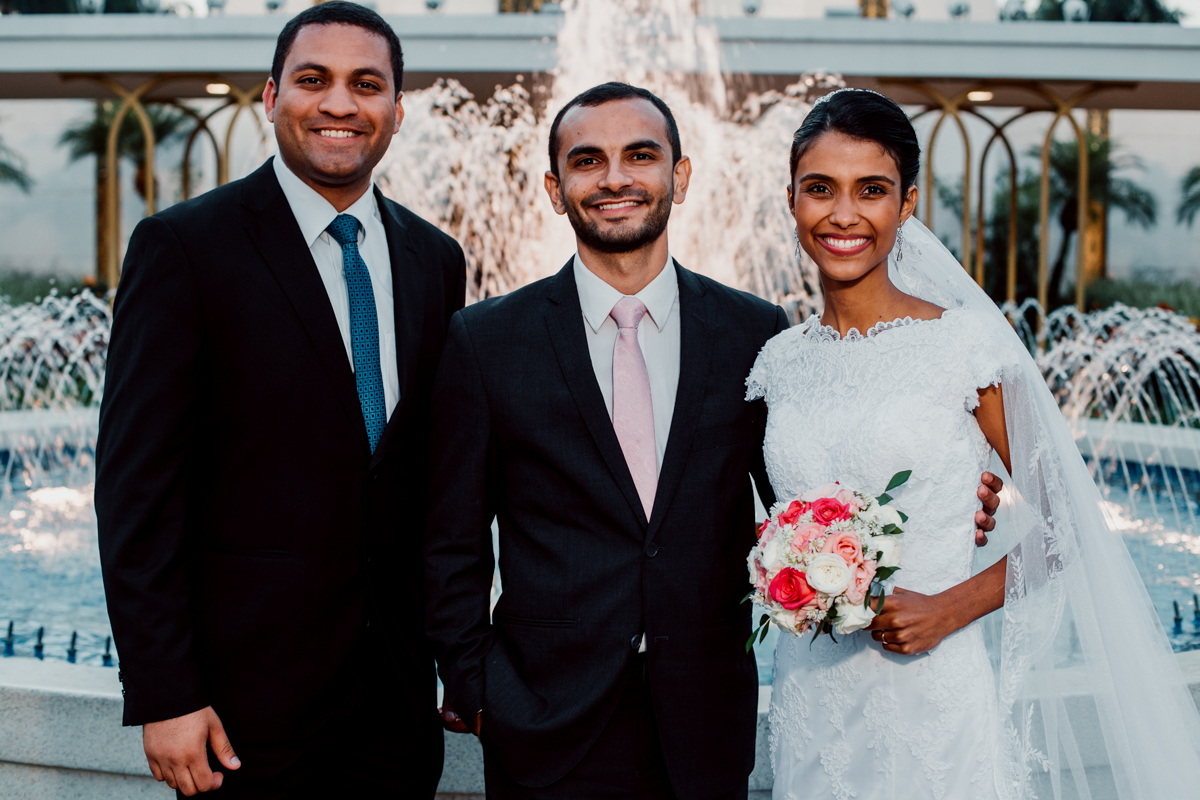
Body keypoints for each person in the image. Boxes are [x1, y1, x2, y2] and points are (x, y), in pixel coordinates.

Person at [423, 82, 1002, 799]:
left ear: (681, 176)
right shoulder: (485, 341)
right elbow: (449, 540)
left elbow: (809, 492)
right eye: (587, 160)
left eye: (641, 155)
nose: (615, 179)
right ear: (554, 187)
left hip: (705, 722)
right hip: (544, 723)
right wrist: (480, 684)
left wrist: (967, 495)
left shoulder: (754, 336)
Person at [750, 88, 1200, 799]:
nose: (843, 214)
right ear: (792, 200)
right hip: (809, 699)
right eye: (820, 189)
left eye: (872, 190)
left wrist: (953, 606)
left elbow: (1071, 518)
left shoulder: (963, 346)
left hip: (930, 696)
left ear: (907, 204)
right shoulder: (776, 361)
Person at [95, 4, 465, 797]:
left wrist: (461, 657)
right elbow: (136, 492)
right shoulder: (184, 249)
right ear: (270, 97)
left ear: (396, 111)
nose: (339, 104)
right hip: (240, 714)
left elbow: (436, 485)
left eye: (366, 85)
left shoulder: (437, 261)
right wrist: (166, 692)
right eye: (312, 79)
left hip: (396, 709)